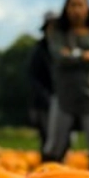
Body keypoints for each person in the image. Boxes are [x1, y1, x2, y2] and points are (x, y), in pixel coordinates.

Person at [42, 0, 89, 170]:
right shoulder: (57, 30)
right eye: (73, 5)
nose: (76, 10)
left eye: (80, 5)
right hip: (64, 94)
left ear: (87, 8)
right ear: (66, 7)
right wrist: (83, 56)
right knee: (55, 142)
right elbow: (59, 57)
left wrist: (72, 55)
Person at [27, 11, 59, 154]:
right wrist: (46, 96)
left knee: (63, 139)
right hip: (44, 102)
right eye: (50, 27)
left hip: (63, 101)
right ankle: (48, 167)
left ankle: (61, 168)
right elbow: (33, 77)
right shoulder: (39, 51)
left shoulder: (63, 50)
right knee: (47, 137)